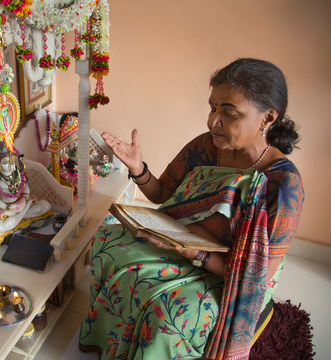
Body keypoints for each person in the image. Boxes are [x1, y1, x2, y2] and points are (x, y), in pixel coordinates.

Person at [78, 58, 304, 359]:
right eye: (212, 108)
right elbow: (162, 194)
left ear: (267, 118)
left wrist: (194, 252)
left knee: (164, 313)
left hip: (231, 275)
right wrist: (137, 167)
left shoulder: (282, 185)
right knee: (104, 241)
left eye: (229, 113)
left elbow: (255, 278)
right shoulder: (207, 146)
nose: (213, 122)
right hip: (180, 241)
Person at [0, 140, 51, 245]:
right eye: (6, 163)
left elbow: (25, 187)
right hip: (4, 208)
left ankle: (18, 219)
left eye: (11, 161)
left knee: (46, 205)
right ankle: (18, 219)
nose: (10, 166)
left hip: (21, 203)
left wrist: (24, 199)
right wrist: (7, 208)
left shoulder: (17, 174)